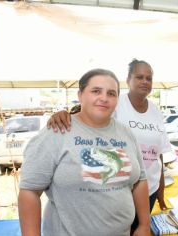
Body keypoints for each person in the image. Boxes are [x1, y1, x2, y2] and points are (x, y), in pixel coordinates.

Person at [18, 69, 150, 236]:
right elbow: (29, 190)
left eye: (111, 93)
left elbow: (140, 180)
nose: (104, 98)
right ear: (80, 95)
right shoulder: (57, 131)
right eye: (96, 91)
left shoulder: (126, 133)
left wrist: (144, 224)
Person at [47, 59, 171, 229]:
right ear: (128, 80)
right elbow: (85, 117)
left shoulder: (156, 111)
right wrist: (64, 114)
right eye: (139, 77)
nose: (144, 81)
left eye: (148, 78)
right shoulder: (114, 103)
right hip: (117, 190)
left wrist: (160, 189)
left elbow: (159, 154)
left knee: (139, 229)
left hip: (149, 189)